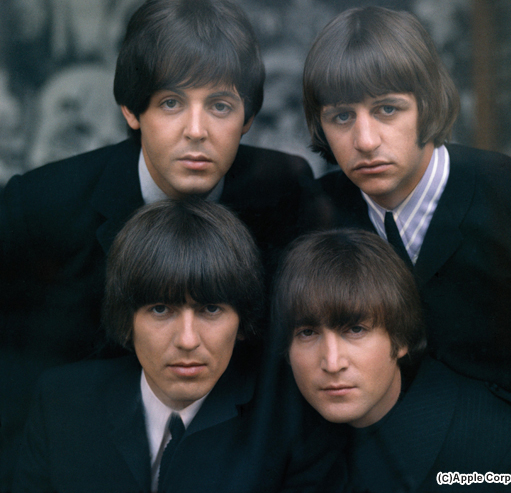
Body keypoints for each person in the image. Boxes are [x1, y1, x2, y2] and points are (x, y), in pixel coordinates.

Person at [0, 0, 313, 486]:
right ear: (131, 110)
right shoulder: (41, 207)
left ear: (248, 119)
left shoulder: (284, 192)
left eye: (220, 106)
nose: (196, 130)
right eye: (171, 102)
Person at [300, 6, 511, 423]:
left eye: (387, 109)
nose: (365, 140)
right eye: (342, 116)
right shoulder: (311, 214)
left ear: (428, 105)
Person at [12, 199, 343, 493]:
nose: (187, 340)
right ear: (127, 320)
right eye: (161, 309)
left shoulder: (290, 422)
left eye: (210, 309)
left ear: (242, 321)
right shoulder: (60, 403)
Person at [272, 228, 511, 492]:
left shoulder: (497, 443)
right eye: (307, 333)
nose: (332, 363)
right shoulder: (277, 444)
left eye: (356, 329)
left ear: (401, 338)